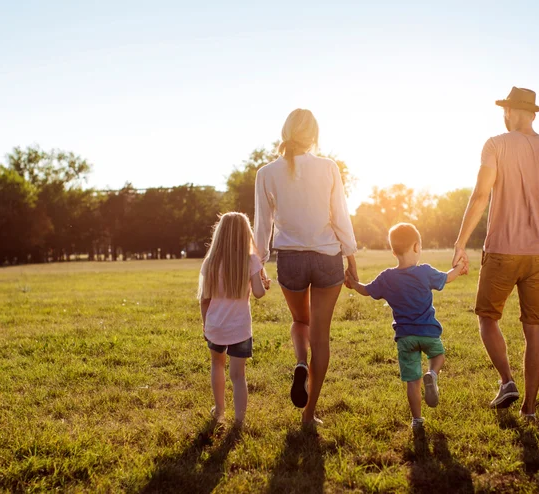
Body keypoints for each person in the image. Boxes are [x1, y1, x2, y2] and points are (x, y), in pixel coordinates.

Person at [452, 87, 539, 420]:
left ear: (509, 112)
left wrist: (460, 242)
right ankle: (530, 409)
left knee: (487, 318)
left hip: (502, 251)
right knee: (533, 330)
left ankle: (507, 380)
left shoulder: (495, 144)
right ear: (533, 114)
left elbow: (480, 196)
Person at [254, 108, 358, 427]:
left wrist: (258, 263)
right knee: (321, 336)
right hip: (327, 258)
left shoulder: (266, 172)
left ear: (286, 132)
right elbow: (340, 215)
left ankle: (300, 363)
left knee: (301, 321)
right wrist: (351, 258)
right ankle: (309, 413)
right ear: (313, 135)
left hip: (291, 259)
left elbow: (263, 224)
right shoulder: (328, 167)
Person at [346, 223, 466, 429]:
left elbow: (367, 291)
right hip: (429, 332)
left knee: (413, 380)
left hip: (405, 337)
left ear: (393, 251)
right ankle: (433, 374)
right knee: (438, 356)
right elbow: (448, 278)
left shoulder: (387, 277)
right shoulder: (425, 272)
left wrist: (353, 284)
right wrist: (459, 268)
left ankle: (417, 420)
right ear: (417, 247)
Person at [198, 212, 271, 425]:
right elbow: (259, 293)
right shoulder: (251, 261)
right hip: (240, 328)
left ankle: (219, 412)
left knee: (217, 365)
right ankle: (239, 421)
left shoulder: (210, 262)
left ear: (219, 234)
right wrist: (263, 283)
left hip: (215, 326)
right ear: (244, 234)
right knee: (238, 376)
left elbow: (204, 299)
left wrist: (205, 324)